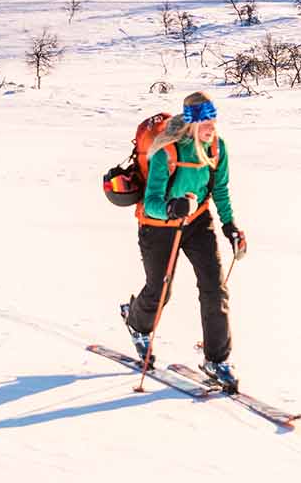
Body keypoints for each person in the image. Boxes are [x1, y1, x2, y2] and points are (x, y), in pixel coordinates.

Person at [121, 91, 248, 392]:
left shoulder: (217, 147)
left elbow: (220, 189)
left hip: (197, 221)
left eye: (213, 118)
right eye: (205, 120)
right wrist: (171, 207)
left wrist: (230, 225)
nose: (211, 126)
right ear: (190, 123)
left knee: (215, 287)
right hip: (158, 225)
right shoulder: (167, 149)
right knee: (159, 289)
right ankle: (137, 323)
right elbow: (151, 200)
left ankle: (217, 360)